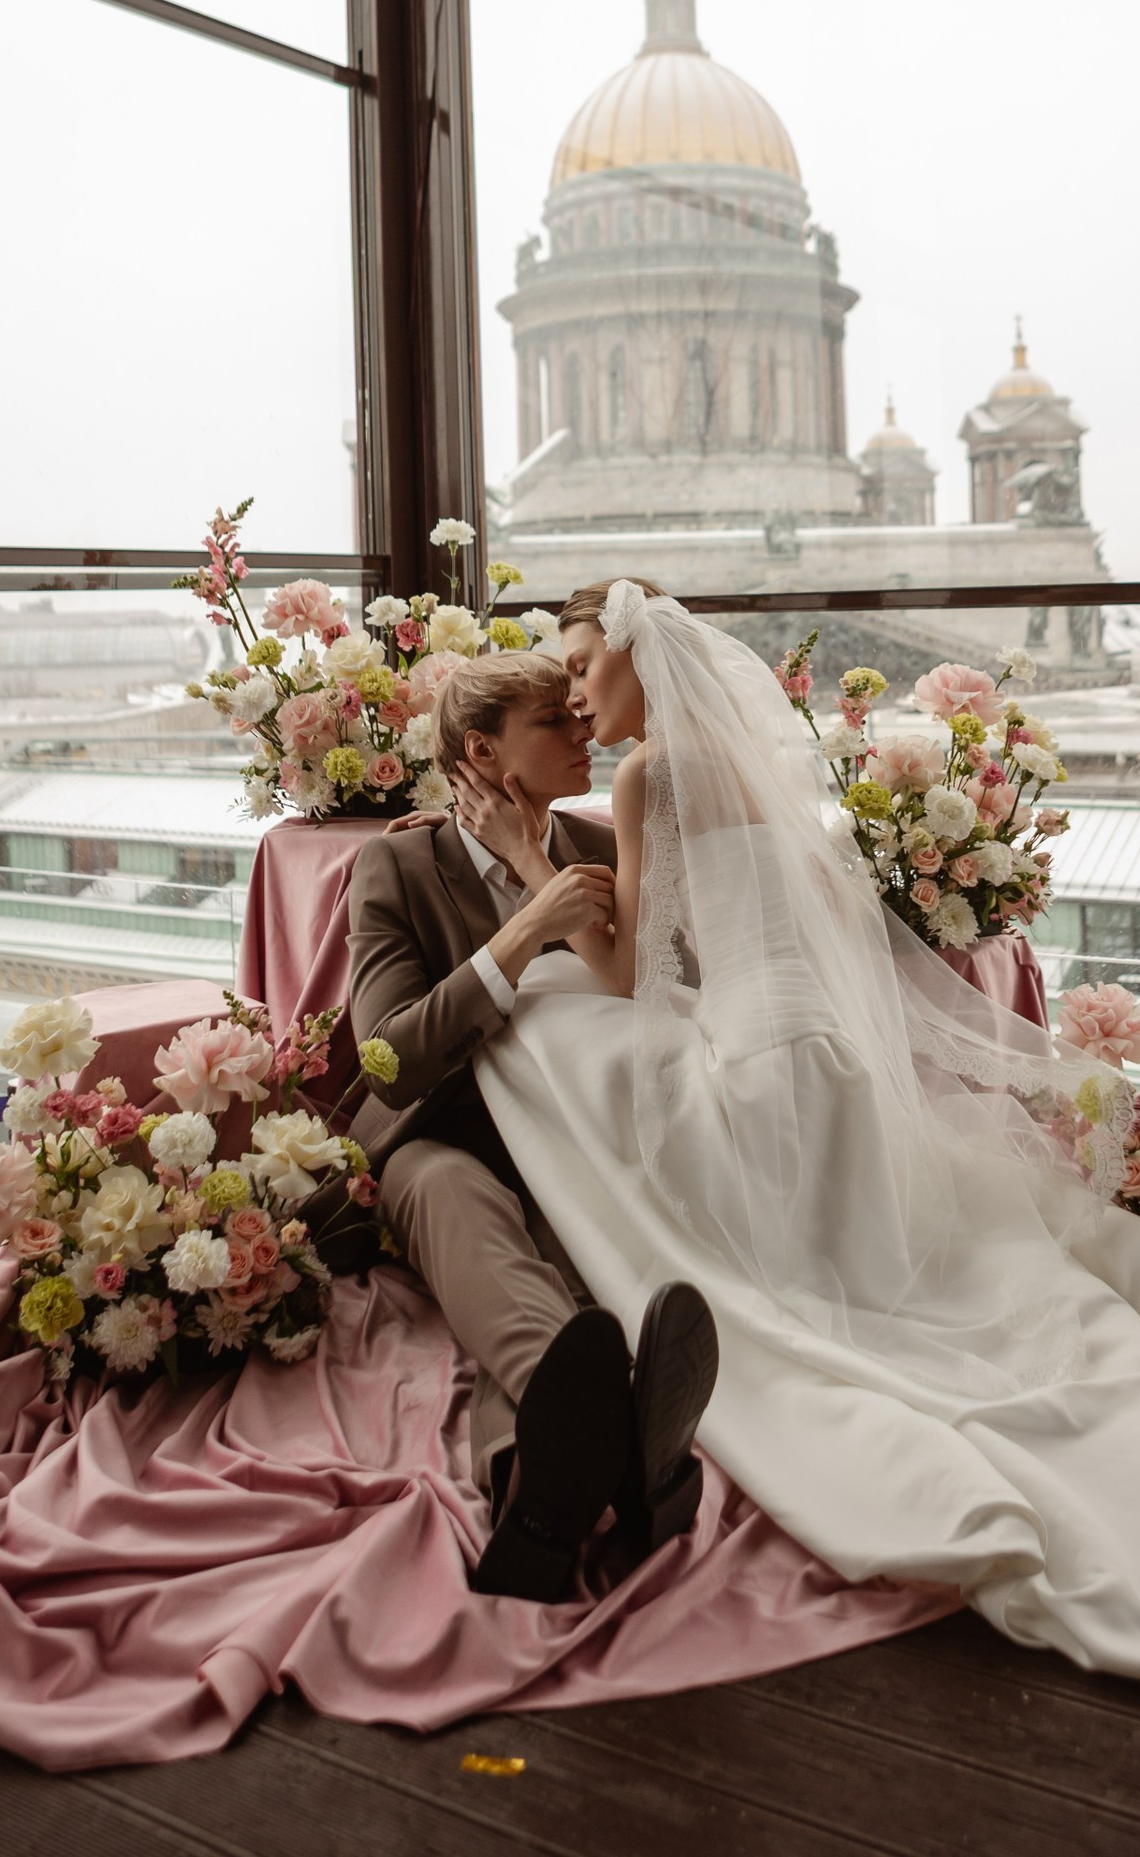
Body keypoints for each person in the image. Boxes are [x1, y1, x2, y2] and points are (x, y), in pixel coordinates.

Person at [449, 579, 1140, 1713]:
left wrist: (538, 885)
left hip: (747, 1079)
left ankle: (597, 1245)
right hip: (829, 1064)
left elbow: (629, 974)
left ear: (643, 657)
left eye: (587, 667)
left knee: (538, 1017)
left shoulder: (647, 774)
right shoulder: (755, 760)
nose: (580, 700)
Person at [340, 649, 718, 1604]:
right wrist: (520, 933)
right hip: (440, 1137)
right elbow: (387, 1056)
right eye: (556, 721)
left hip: (573, 1142)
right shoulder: (397, 861)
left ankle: (531, 1497)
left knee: (558, 1285)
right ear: (483, 748)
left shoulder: (602, 848)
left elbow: (675, 995)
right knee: (462, 1208)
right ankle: (637, 1462)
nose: (585, 729)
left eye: (578, 712)